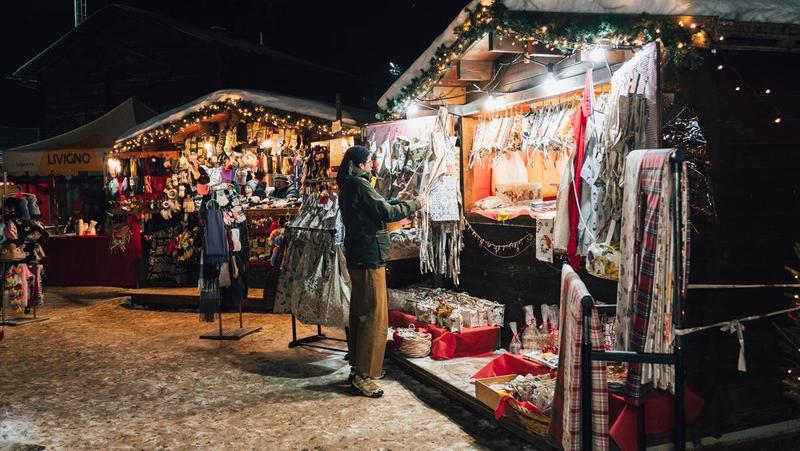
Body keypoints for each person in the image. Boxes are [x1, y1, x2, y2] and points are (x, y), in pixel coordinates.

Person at [336, 145, 426, 398]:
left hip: (361, 254)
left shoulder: (350, 185)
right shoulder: (359, 184)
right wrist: (416, 203)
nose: (372, 164)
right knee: (373, 316)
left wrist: (398, 201)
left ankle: (359, 367)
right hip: (369, 255)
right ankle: (364, 375)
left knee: (362, 313)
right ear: (360, 164)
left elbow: (377, 208)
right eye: (369, 161)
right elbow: (386, 212)